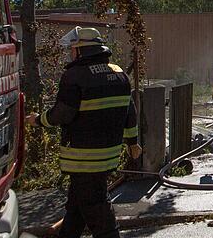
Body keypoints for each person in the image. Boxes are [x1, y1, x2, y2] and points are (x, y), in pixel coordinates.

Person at [25, 27, 141, 238]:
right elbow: (130, 113)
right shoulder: (119, 74)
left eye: (73, 49)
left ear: (81, 51)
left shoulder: (74, 75)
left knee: (99, 212)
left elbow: (62, 114)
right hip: (108, 156)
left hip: (83, 158)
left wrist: (38, 120)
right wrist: (133, 142)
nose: (71, 53)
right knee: (76, 208)